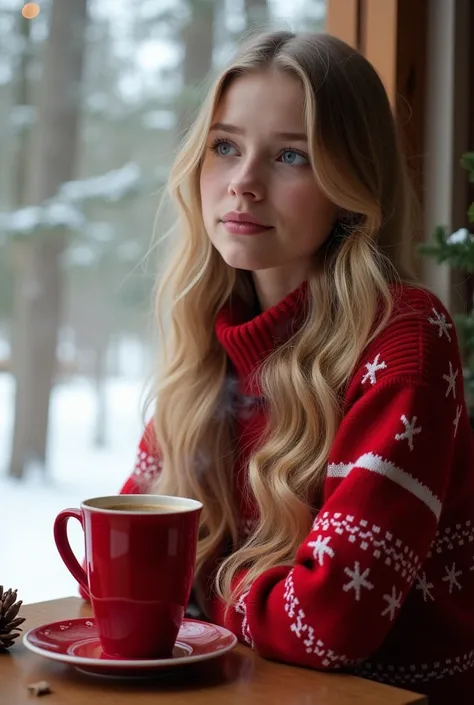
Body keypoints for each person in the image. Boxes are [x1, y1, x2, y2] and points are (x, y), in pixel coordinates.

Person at [86, 31, 474, 703]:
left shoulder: (405, 338)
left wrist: (205, 586)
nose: (243, 183)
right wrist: (223, 591)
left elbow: (329, 624)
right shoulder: (210, 339)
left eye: (291, 155)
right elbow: (117, 569)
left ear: (351, 187)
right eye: (226, 146)